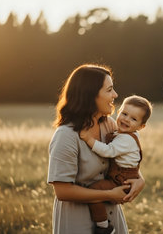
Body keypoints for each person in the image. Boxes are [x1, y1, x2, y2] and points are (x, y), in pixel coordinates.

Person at [47, 64, 145, 234]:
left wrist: (140, 181)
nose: (115, 95)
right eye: (109, 90)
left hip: (112, 218)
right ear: (90, 95)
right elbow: (62, 191)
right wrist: (109, 195)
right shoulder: (66, 135)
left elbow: (125, 158)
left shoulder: (110, 125)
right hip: (77, 222)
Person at [80, 95, 152, 234]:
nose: (126, 119)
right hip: (123, 175)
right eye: (124, 114)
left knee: (95, 192)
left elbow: (108, 151)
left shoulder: (126, 139)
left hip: (120, 180)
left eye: (133, 119)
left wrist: (89, 140)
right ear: (118, 112)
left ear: (141, 126)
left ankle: (103, 227)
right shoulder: (125, 133)